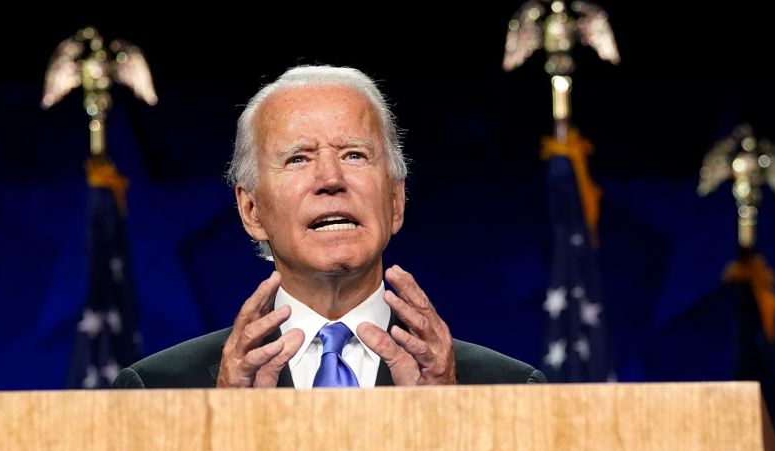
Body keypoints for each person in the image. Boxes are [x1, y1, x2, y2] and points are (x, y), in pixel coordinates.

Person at [113, 65, 544, 389]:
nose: (331, 179)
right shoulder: (158, 389)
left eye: (354, 154)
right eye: (298, 158)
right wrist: (223, 428)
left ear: (395, 202)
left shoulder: (507, 389)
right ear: (251, 210)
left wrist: (447, 422)